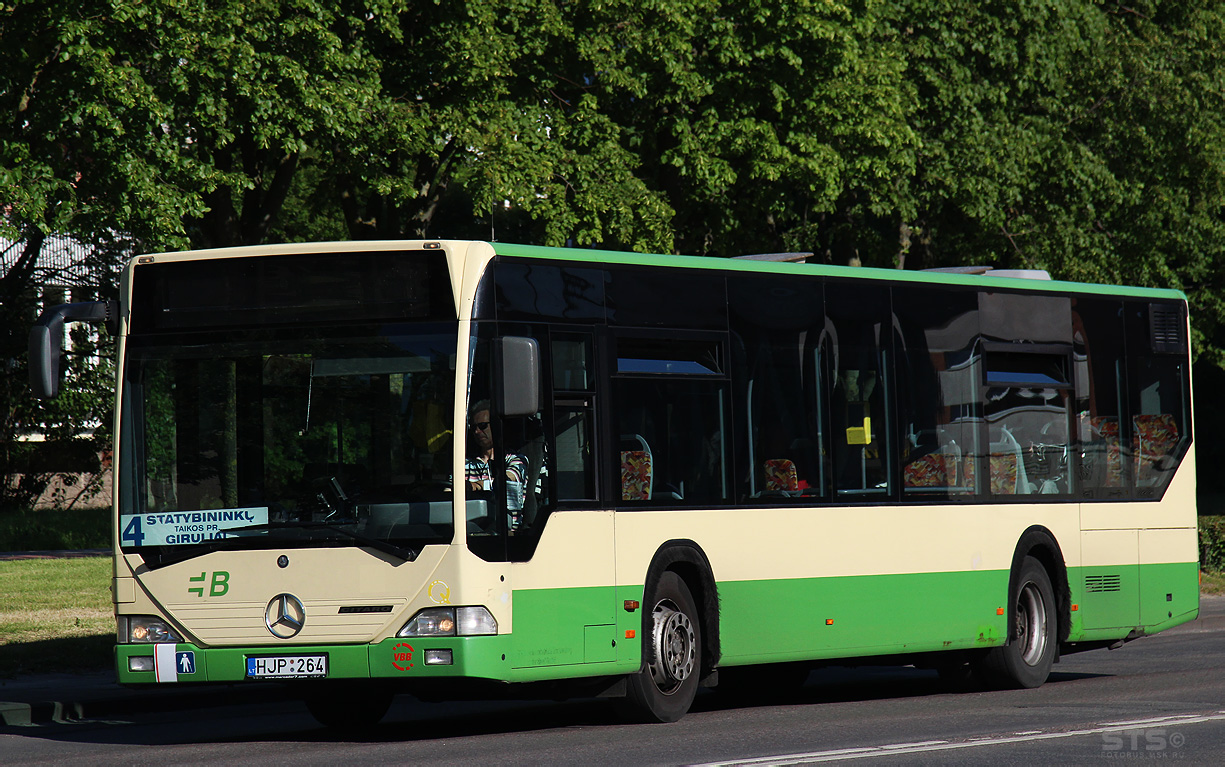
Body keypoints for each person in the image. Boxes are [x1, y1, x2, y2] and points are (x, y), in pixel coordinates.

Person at [465, 401, 529, 530]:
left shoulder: (516, 460)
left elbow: (507, 479)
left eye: (482, 426)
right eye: (473, 428)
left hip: (508, 532)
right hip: (471, 529)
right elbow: (450, 491)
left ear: (497, 426)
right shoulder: (465, 464)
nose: (477, 432)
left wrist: (472, 486)